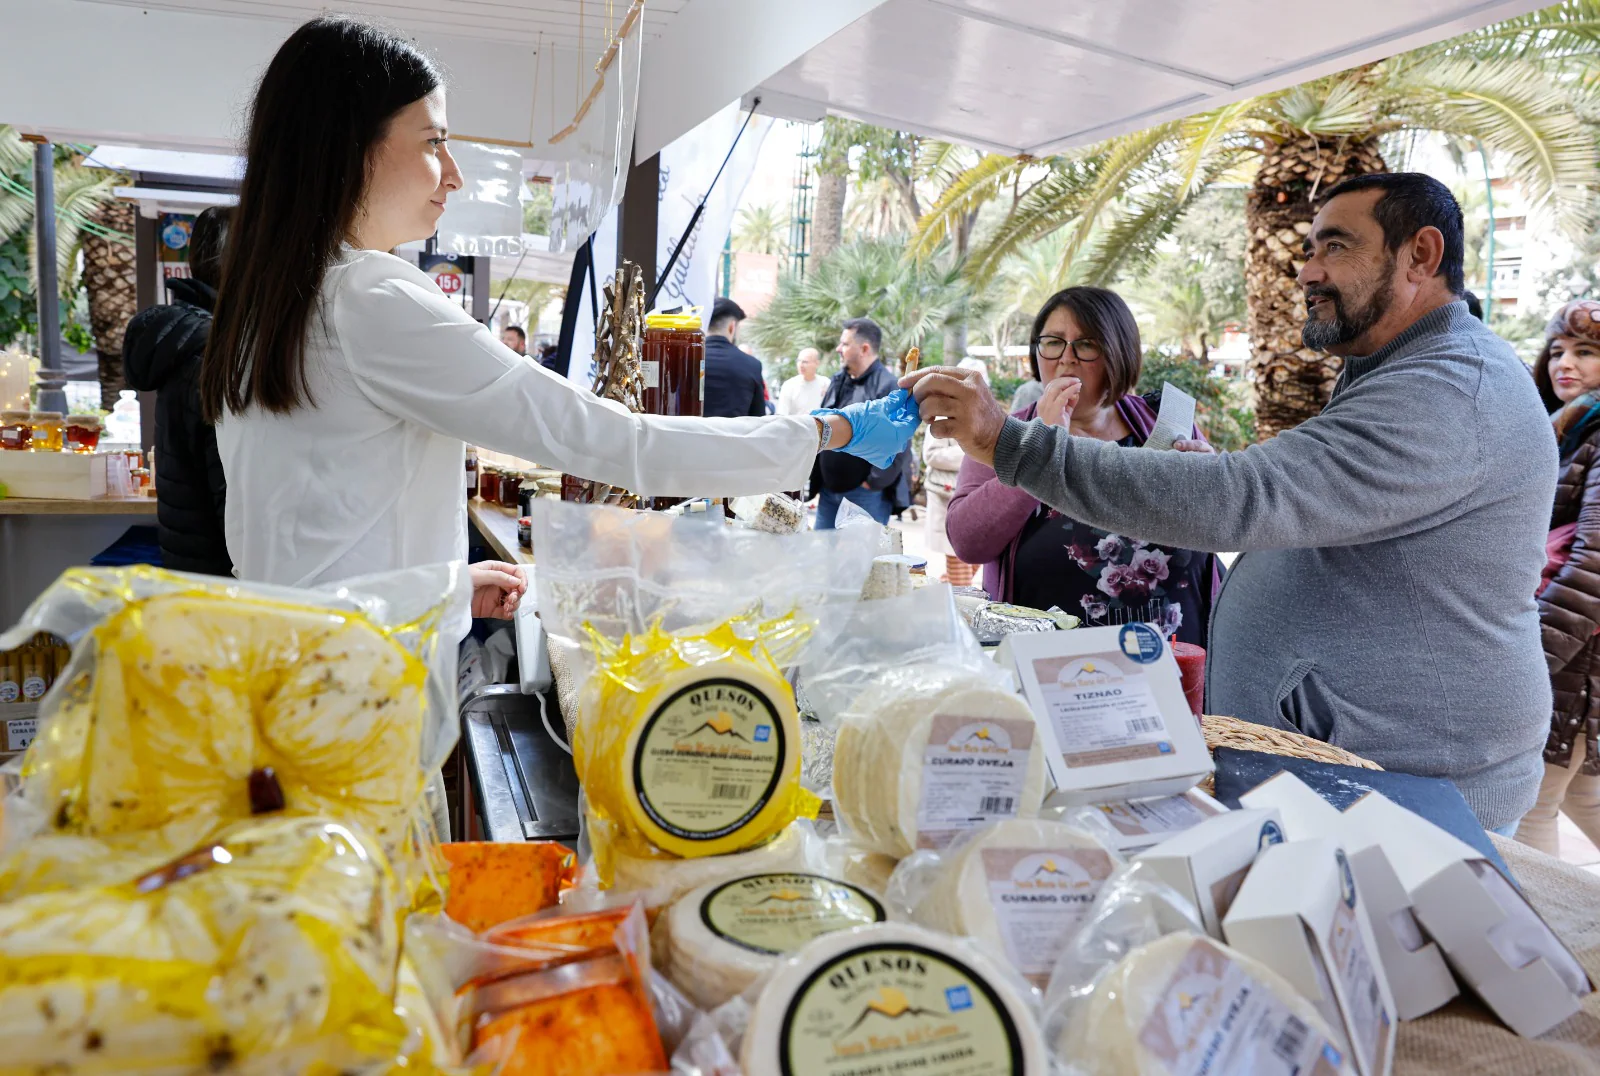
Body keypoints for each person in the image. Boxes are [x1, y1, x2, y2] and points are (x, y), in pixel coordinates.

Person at [202, 17, 915, 622]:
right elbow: (614, 439)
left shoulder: (273, 300)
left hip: (294, 674)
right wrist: (831, 430)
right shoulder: (372, 301)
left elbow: (310, 541)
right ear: (346, 148)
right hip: (360, 709)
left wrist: (445, 589)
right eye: (431, 141)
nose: (452, 173)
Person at [904, 173, 1555, 834]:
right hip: (1356, 770)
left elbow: (1245, 497)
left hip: (1406, 788)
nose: (1307, 272)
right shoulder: (1405, 374)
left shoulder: (1448, 387)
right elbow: (1300, 504)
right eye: (1309, 249)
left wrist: (1008, 442)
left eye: (1334, 247)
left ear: (1421, 255)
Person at [945, 290, 1219, 643]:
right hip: (1056, 668)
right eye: (1053, 342)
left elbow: (1215, 520)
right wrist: (1038, 446)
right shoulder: (1003, 434)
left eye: (1086, 344)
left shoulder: (1165, 424)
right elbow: (968, 542)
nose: (1066, 359)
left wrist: (1210, 479)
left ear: (1118, 352)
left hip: (1170, 656)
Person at [1517, 299, 1600, 856]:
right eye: (1558, 350)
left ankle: (1539, 942)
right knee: (1581, 796)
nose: (1564, 363)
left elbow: (1593, 563)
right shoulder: (1567, 429)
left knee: (1531, 811)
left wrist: (1528, 658)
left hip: (1572, 659)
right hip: (1578, 659)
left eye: (1586, 351)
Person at [122, 206, 234, 576]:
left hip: (191, 565)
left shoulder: (187, 342)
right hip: (222, 581)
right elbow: (232, 501)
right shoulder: (216, 356)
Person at [812, 318, 911, 528]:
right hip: (829, 491)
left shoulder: (889, 387)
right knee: (821, 557)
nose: (839, 349)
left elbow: (899, 443)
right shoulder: (839, 380)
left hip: (865, 495)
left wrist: (873, 482)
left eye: (845, 344)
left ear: (864, 348)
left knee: (860, 559)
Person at [923, 357, 992, 587]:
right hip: (949, 500)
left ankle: (944, 596)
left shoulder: (989, 414)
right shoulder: (942, 412)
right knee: (961, 579)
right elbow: (931, 454)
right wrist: (974, 455)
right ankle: (956, 616)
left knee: (968, 569)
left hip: (979, 505)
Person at [702, 297, 765, 418]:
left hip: (688, 436)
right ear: (732, 327)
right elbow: (758, 419)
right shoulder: (752, 365)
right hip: (734, 436)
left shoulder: (685, 360)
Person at [778, 347, 827, 416]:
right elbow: (782, 414)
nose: (800, 365)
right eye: (798, 361)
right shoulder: (789, 385)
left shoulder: (826, 383)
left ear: (817, 363)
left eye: (805, 362)